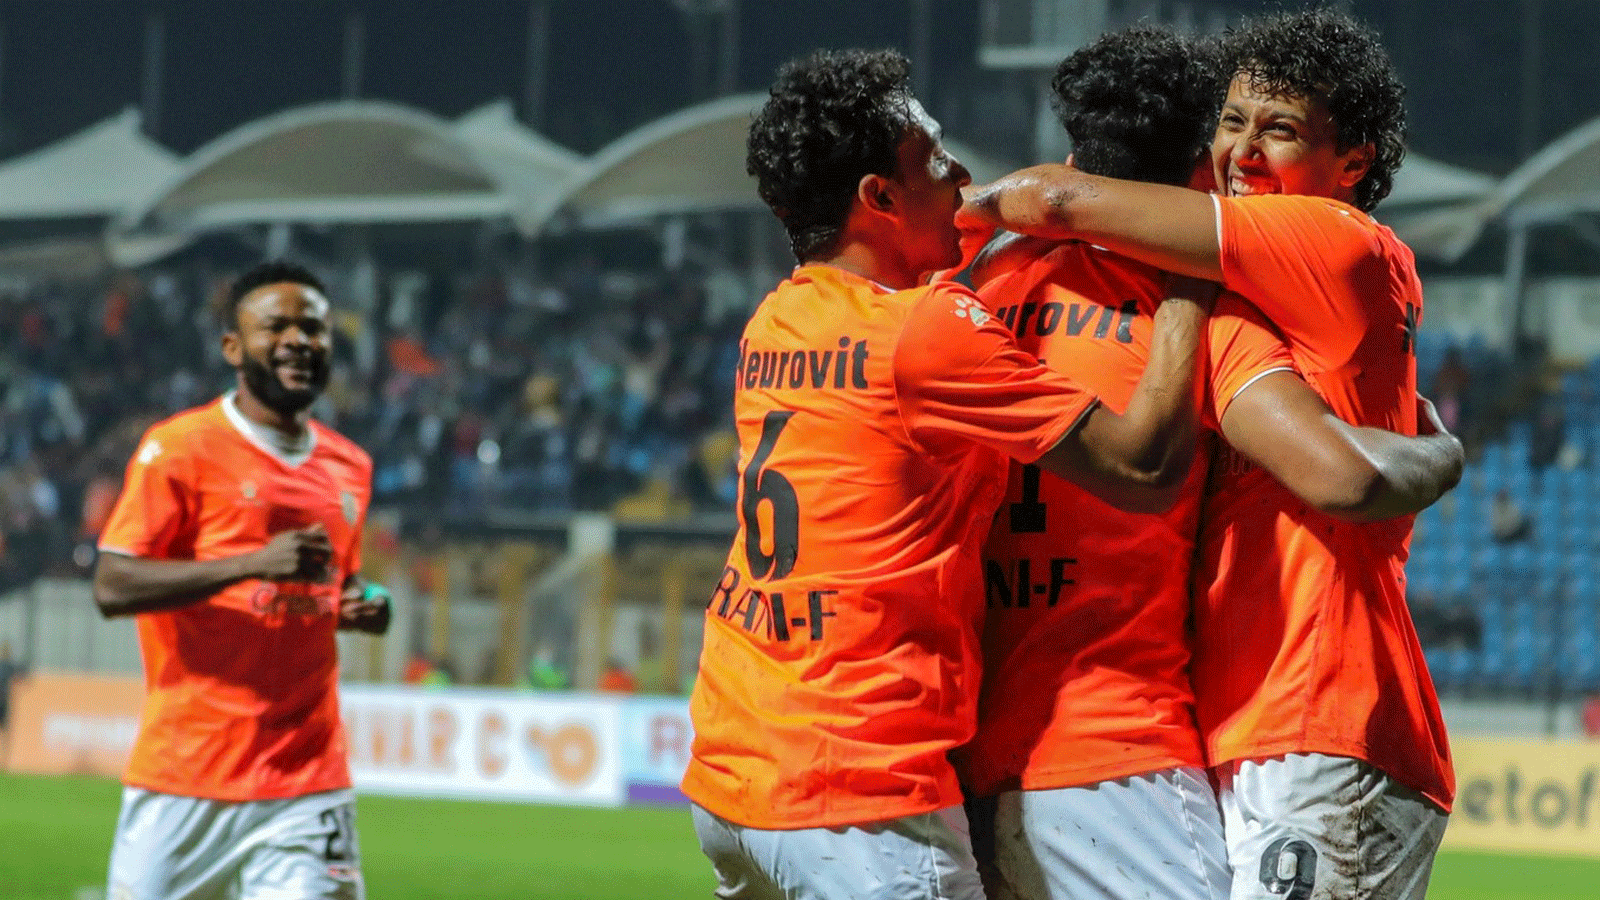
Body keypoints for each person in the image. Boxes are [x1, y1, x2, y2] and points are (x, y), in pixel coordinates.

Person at [680, 48, 1215, 900]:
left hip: (732, 770)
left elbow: (999, 207)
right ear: (879, 198)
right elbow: (1144, 463)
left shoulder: (776, 321)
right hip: (857, 784)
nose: (962, 175)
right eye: (934, 160)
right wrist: (1192, 273)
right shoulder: (926, 330)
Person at [960, 9, 1459, 899]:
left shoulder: (1327, 238)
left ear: (1353, 163)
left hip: (1321, 708)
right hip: (1249, 723)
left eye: (1281, 129)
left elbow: (1065, 201)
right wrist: (1441, 456)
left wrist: (949, 221)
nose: (1245, 152)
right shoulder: (1220, 309)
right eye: (1232, 122)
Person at [93, 260, 389, 900]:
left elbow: (332, 585)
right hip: (187, 775)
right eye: (275, 327)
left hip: (307, 778)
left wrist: (361, 602)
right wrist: (250, 563)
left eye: (313, 328)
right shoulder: (181, 448)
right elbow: (112, 586)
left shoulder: (350, 466)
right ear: (233, 347)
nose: (298, 340)